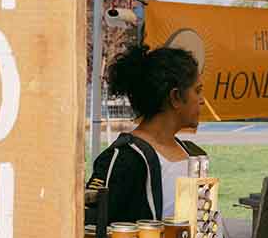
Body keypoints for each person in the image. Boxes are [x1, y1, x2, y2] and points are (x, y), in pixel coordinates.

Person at [89, 43, 207, 222]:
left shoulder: (194, 154)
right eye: (197, 91)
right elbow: (95, 230)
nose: (202, 100)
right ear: (175, 97)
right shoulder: (124, 159)